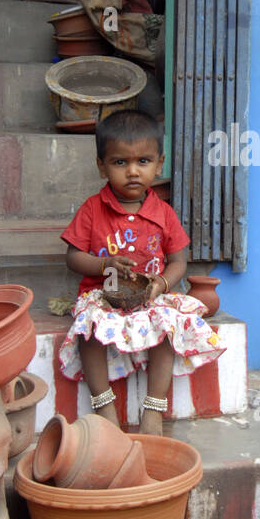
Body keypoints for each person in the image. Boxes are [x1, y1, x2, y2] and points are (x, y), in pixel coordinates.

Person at [59, 109, 224, 434]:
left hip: (149, 295)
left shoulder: (163, 213)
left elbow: (179, 261)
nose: (132, 171)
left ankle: (153, 409)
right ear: (101, 165)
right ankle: (104, 408)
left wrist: (162, 284)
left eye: (143, 162)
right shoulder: (93, 208)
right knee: (89, 331)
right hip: (101, 296)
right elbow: (73, 256)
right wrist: (104, 264)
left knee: (166, 326)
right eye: (120, 162)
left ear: (159, 163)